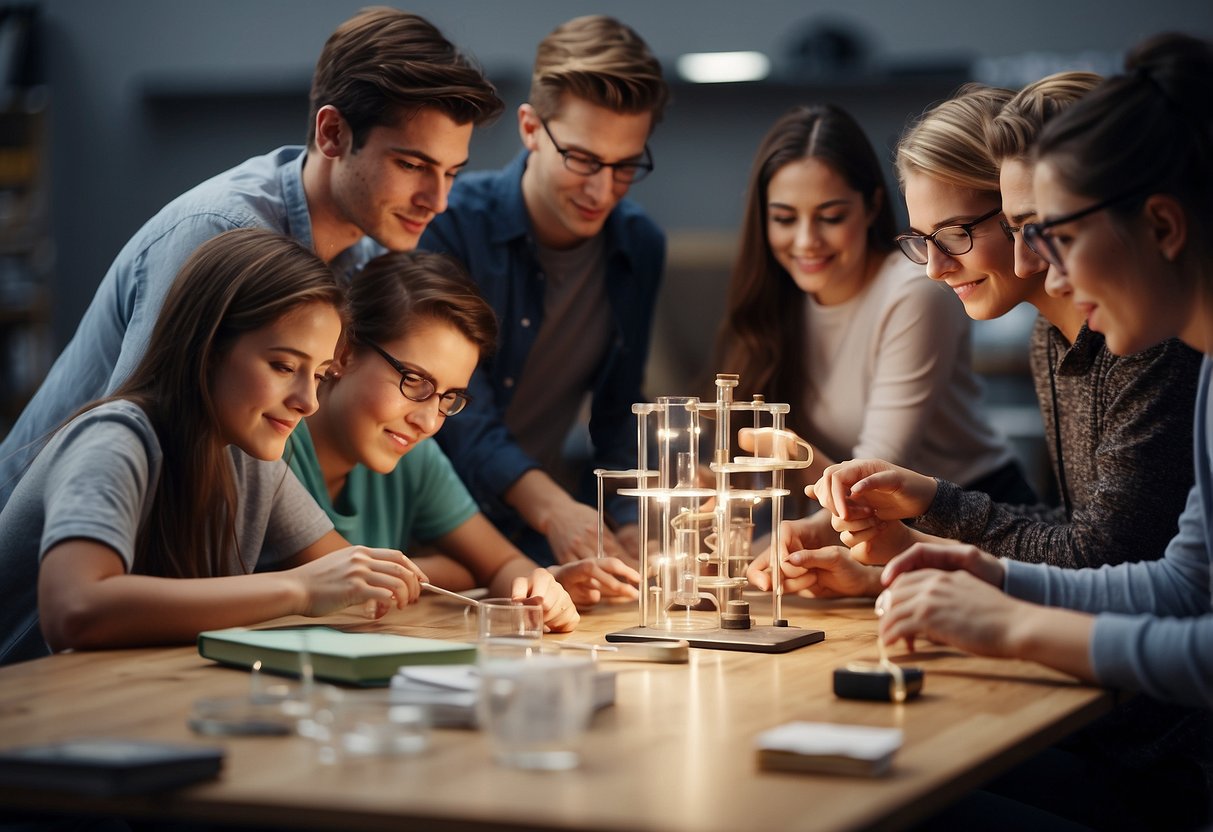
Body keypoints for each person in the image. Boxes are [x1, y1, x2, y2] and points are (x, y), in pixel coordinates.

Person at [878, 34, 1213, 830]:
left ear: (1161, 226)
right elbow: (1181, 585)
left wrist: (1010, 617)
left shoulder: (1169, 354)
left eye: (1052, 234)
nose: (1048, 274)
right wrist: (988, 577)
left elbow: (1129, 569)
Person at [0, 7, 503, 509]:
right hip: (52, 541)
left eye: (452, 173)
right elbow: (148, 451)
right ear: (332, 135)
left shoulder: (369, 257)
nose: (436, 201)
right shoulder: (218, 235)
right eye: (412, 165)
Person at [782, 76, 1202, 599]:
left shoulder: (1152, 343)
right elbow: (1082, 531)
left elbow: (1104, 557)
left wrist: (934, 513)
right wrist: (910, 537)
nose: (934, 268)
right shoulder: (1050, 336)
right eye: (922, 240)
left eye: (956, 233)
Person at [0, 229, 426, 666]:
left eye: (318, 375)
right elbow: (74, 610)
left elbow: (347, 574)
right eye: (283, 366)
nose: (309, 401)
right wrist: (300, 589)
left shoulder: (249, 456)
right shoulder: (115, 438)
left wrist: (384, 578)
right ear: (206, 348)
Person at [719, 102, 1034, 578]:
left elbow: (879, 466)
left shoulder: (913, 286)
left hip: (977, 518)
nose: (806, 241)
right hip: (872, 523)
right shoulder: (782, 299)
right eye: (784, 218)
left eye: (829, 216)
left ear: (869, 207)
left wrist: (748, 549)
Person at [419, 15, 668, 567]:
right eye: (582, 159)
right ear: (530, 128)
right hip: (428, 526)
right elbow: (461, 415)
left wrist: (630, 522)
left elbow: (620, 410)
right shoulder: (449, 227)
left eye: (627, 165)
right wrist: (557, 511)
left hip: (530, 531)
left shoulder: (638, 245)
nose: (604, 190)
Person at [285, 250, 641, 630]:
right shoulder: (275, 447)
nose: (427, 421)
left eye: (448, 398)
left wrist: (540, 586)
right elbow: (360, 579)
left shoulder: (414, 455)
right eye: (415, 382)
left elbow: (500, 563)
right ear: (345, 352)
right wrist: (454, 569)